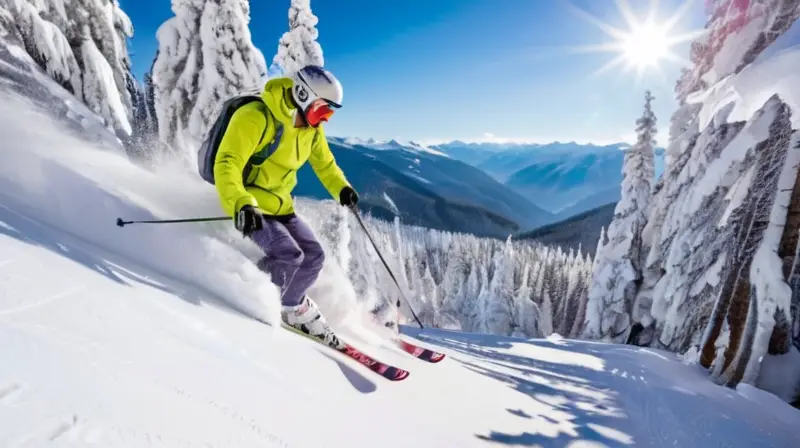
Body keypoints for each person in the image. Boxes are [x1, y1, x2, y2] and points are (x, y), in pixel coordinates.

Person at [212, 65, 359, 348]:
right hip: (251, 203)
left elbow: (325, 165)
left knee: (314, 256)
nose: (325, 119)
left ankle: (290, 307)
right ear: (303, 94)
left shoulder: (311, 130)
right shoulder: (255, 117)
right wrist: (241, 203)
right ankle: (253, 296)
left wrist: (342, 188)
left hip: (281, 204)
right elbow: (227, 162)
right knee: (288, 254)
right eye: (322, 110)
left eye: (330, 113)